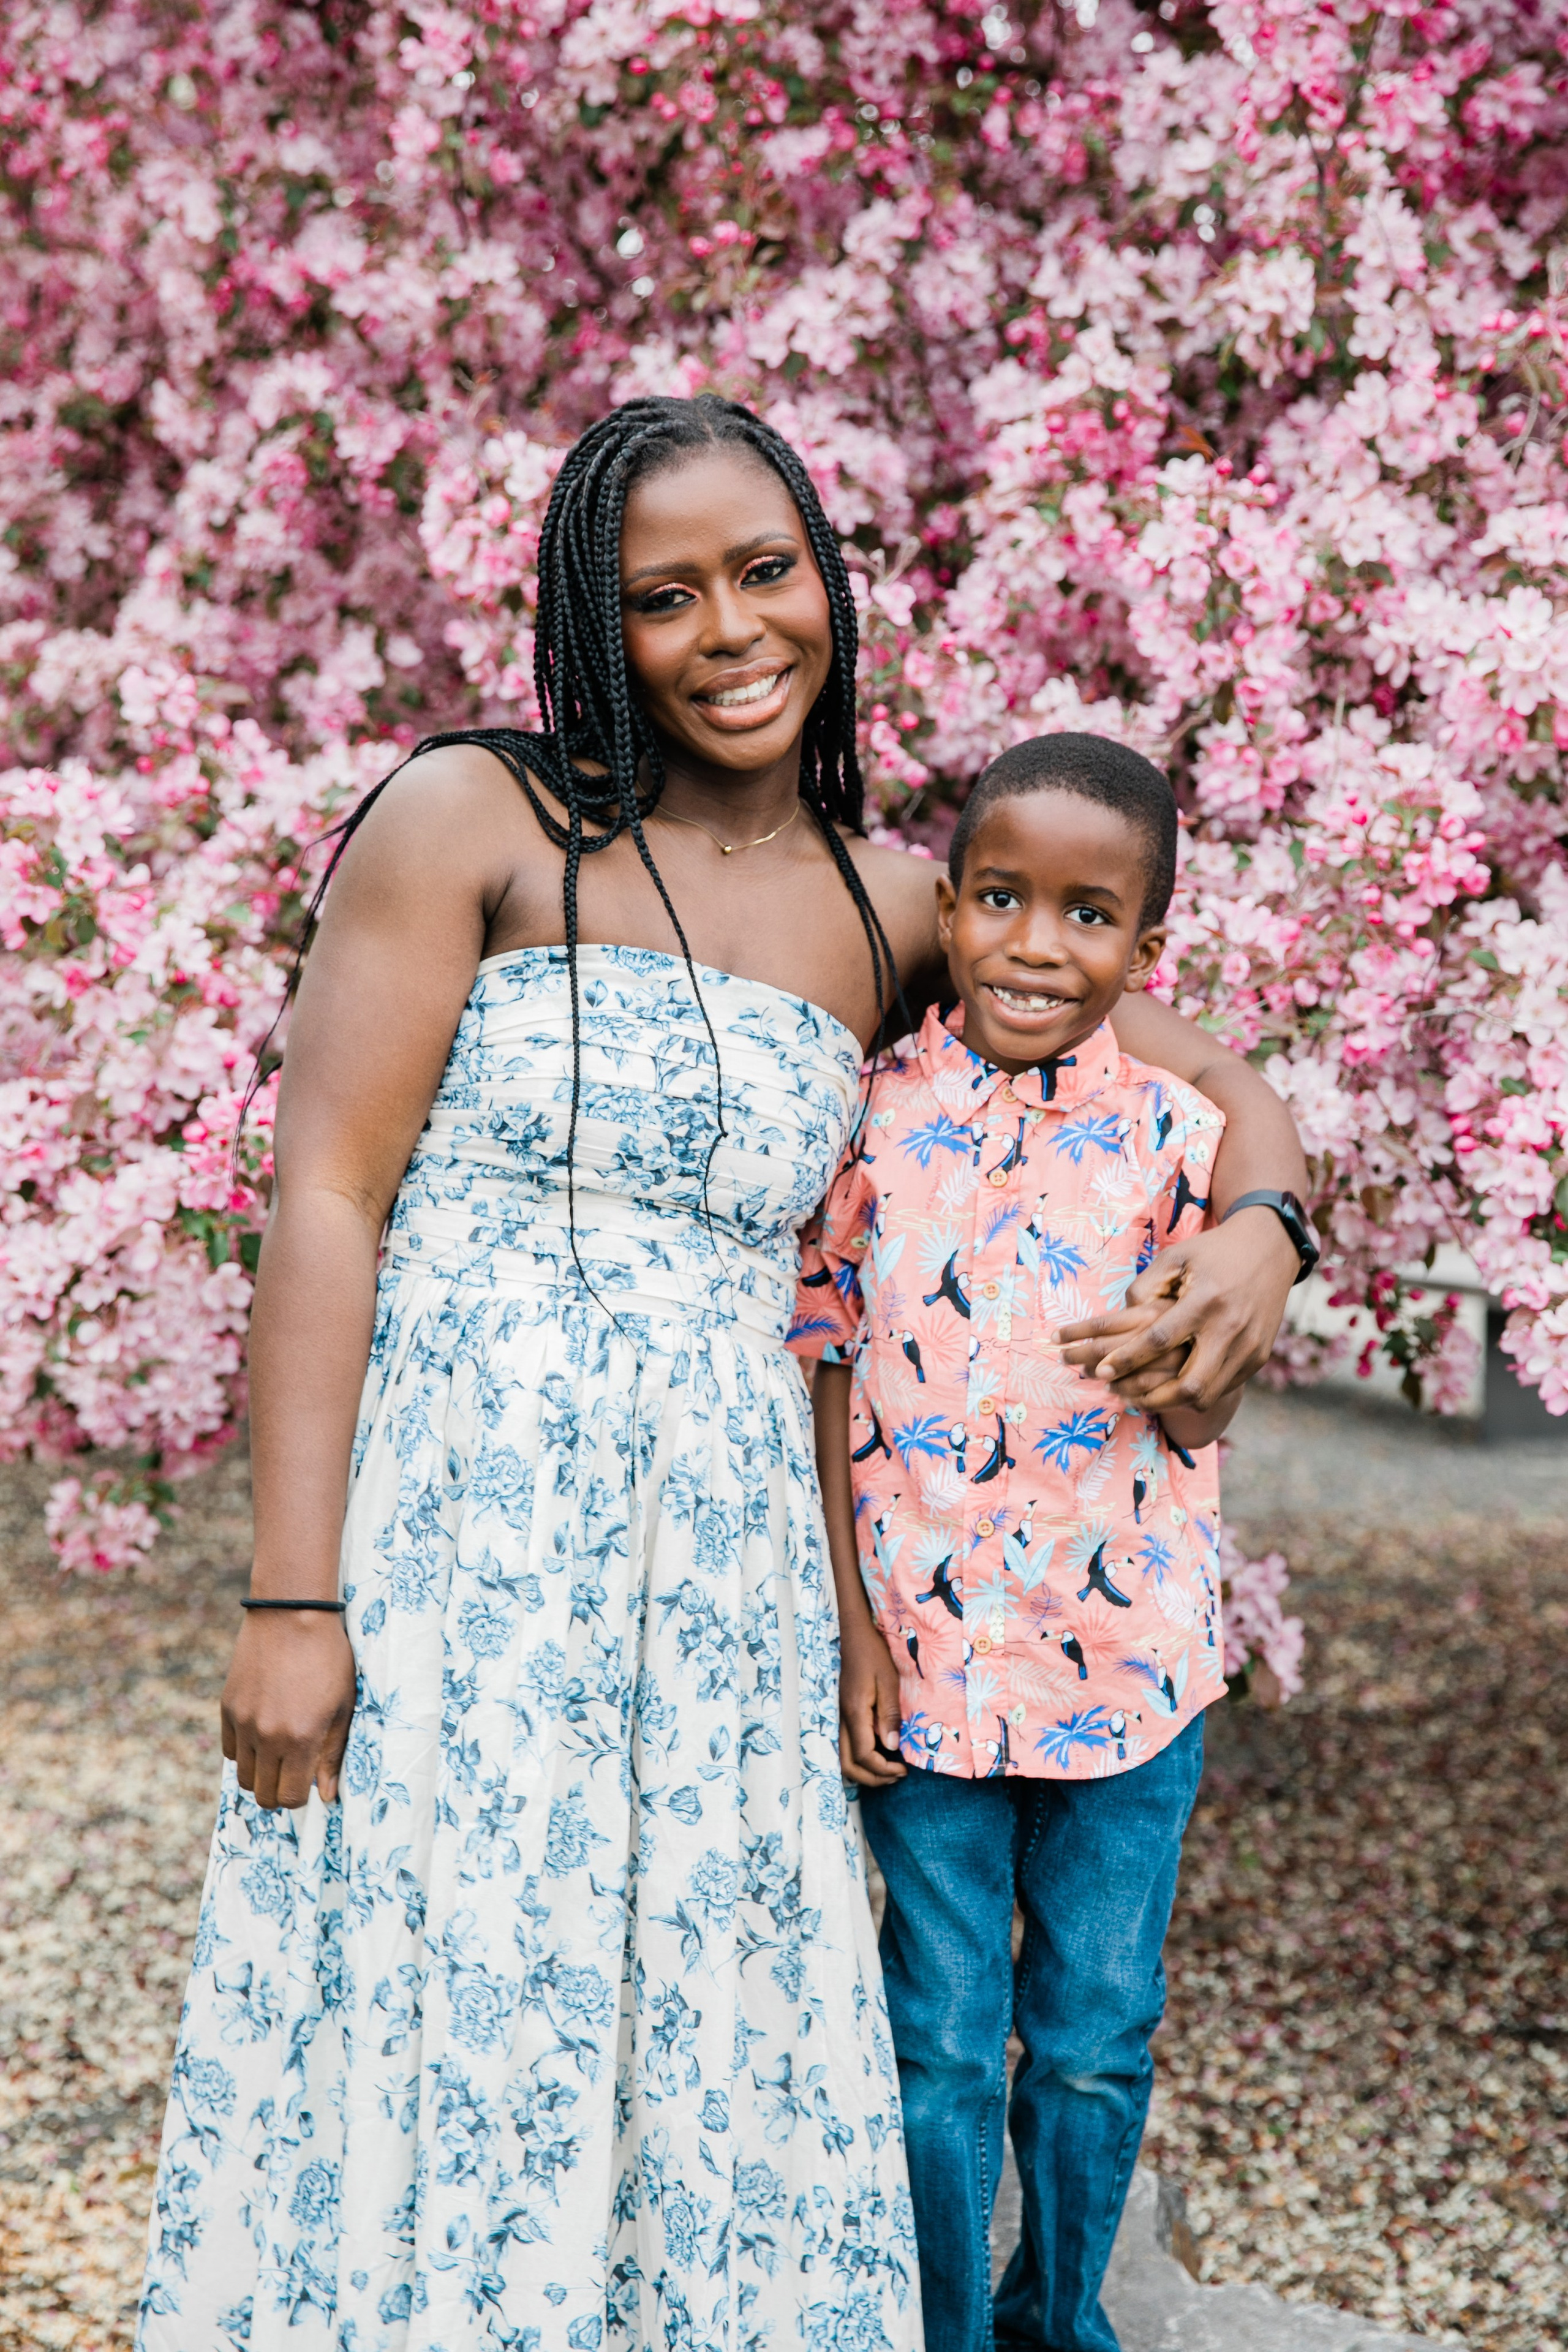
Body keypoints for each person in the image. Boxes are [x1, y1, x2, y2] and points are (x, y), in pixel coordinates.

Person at [137, 397, 1307, 2352]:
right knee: (467, 1981)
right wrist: (289, 1593)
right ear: (597, 625)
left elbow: (1206, 1075)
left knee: (701, 2010)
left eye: (766, 573)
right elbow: (327, 1201)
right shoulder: (471, 820)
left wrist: (1268, 1226)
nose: (731, 629)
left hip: (727, 1571)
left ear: (828, 586)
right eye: (662, 595)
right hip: (468, 1545)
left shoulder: (888, 910)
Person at [791, 733, 1304, 2352]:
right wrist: (856, 1626)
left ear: (1145, 953)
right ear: (947, 908)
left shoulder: (1181, 1145)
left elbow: (1208, 1418)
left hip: (1126, 1673)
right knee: (938, 2035)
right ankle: (941, 2328)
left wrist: (1190, 1348)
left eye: (1089, 916)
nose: (1036, 942)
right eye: (1002, 899)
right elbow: (822, 1356)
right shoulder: (868, 1119)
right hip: (930, 1674)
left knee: (1090, 2034)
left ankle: (1055, 2318)